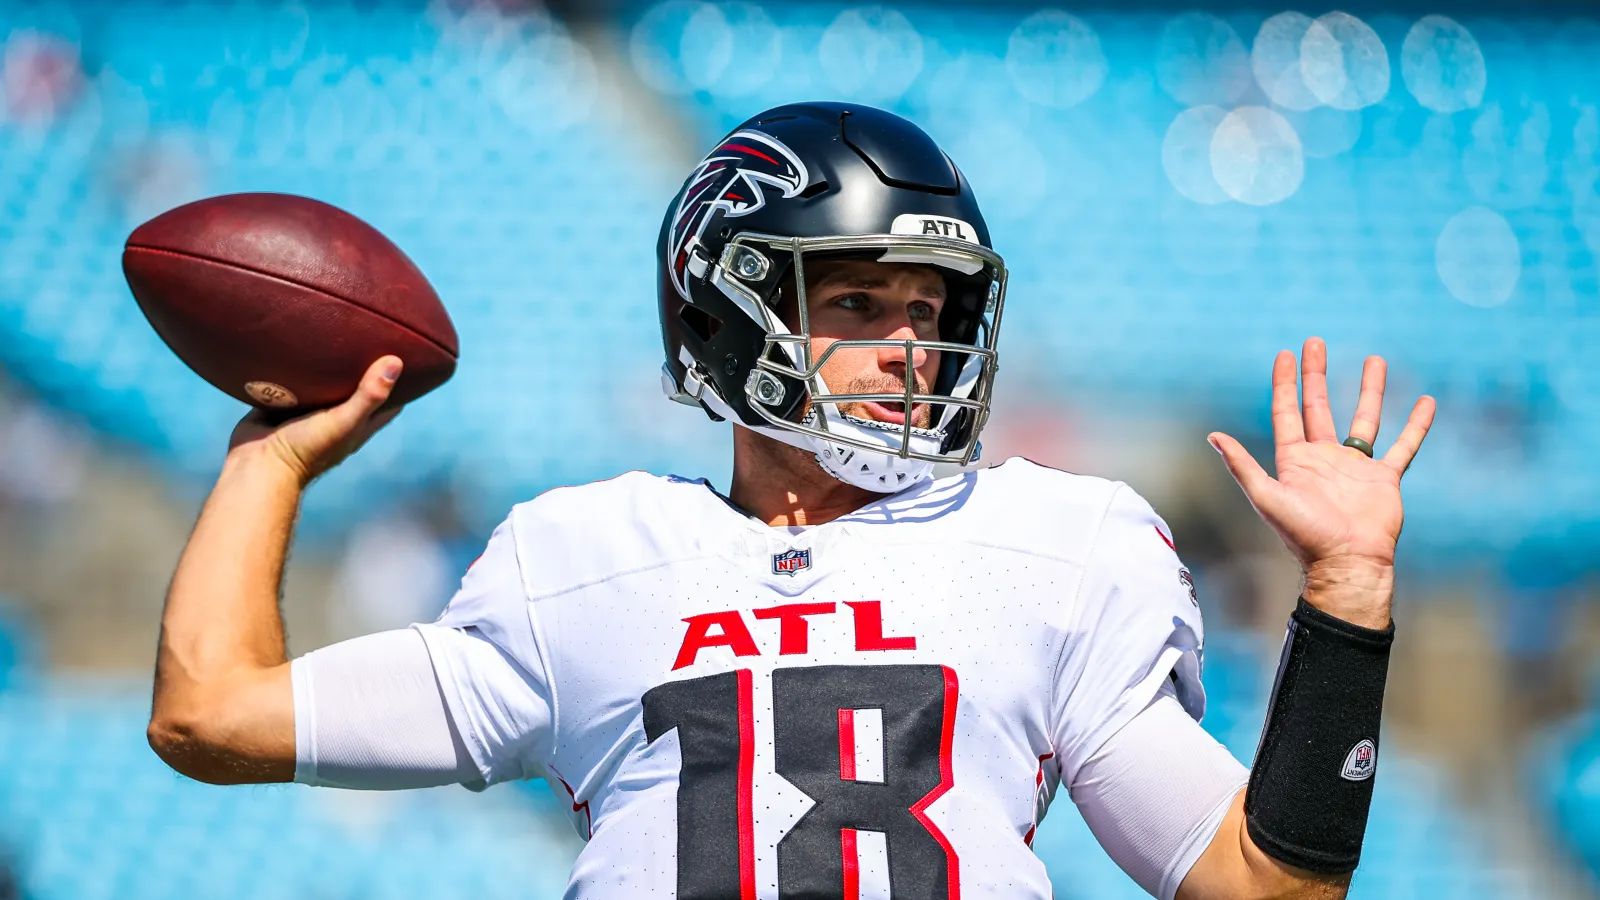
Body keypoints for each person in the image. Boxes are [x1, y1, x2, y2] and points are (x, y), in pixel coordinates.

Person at [147, 102, 1436, 899]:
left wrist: (1347, 601)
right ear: (729, 307)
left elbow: (1264, 893)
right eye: (861, 304)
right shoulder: (583, 559)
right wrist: (270, 461)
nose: (907, 350)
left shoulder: (1057, 544)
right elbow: (210, 712)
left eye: (929, 312)